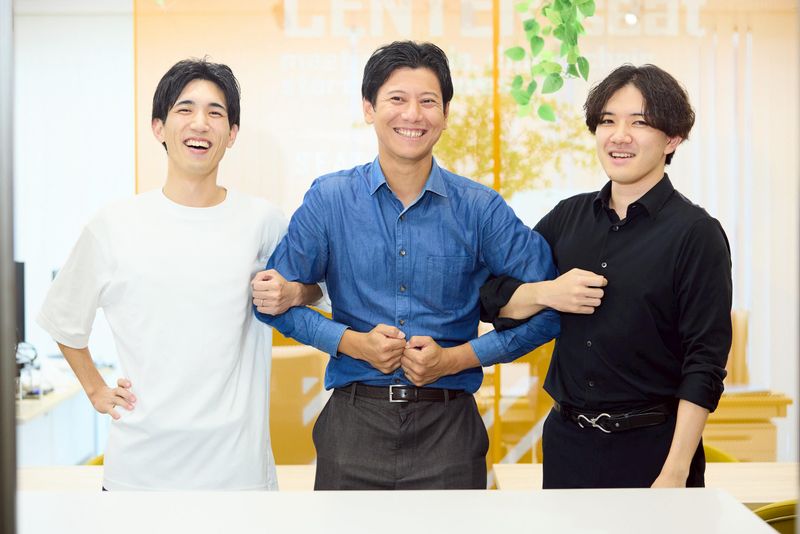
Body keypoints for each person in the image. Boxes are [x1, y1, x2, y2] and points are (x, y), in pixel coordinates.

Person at [252, 41, 560, 490]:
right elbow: (270, 304)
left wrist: (456, 358)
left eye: (428, 101)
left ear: (446, 114)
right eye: (397, 98)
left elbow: (552, 309)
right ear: (369, 108)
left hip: (449, 431)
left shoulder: (480, 209)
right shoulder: (329, 200)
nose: (413, 114)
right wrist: (352, 344)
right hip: (353, 427)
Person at [37, 58, 320, 491]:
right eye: (185, 109)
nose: (200, 123)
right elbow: (62, 317)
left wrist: (294, 293)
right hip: (139, 475)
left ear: (232, 134)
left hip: (238, 476)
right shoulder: (114, 224)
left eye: (215, 112)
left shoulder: (262, 222)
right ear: (158, 127)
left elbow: (320, 290)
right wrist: (96, 390)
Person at [480, 64, 732, 489]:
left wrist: (675, 471)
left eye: (639, 123)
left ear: (672, 138)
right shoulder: (567, 218)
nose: (619, 136)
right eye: (608, 121)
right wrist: (548, 292)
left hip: (653, 450)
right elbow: (491, 297)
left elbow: (705, 363)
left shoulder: (696, 233)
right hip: (567, 443)